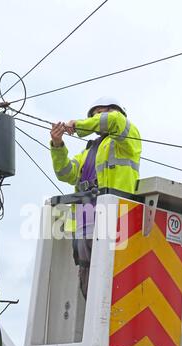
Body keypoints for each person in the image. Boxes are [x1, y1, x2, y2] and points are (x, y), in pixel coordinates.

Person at [50, 96, 142, 299]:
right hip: (85, 223)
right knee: (88, 280)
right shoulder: (89, 150)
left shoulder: (128, 137)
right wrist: (57, 145)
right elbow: (66, 172)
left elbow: (114, 121)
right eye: (96, 114)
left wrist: (78, 126)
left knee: (112, 277)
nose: (100, 117)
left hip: (114, 218)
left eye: (104, 112)